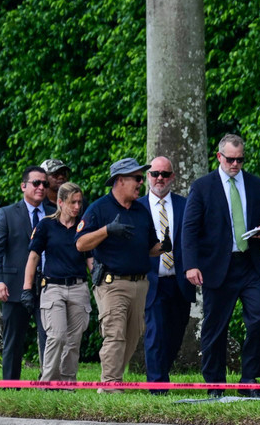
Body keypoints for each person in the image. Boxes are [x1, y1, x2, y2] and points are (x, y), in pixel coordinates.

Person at [180, 134, 260, 398]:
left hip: (249, 264)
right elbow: (189, 229)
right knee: (215, 327)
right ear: (219, 156)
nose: (235, 164)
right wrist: (191, 265)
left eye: (240, 159)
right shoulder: (203, 187)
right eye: (230, 159)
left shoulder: (256, 185)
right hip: (216, 266)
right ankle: (215, 385)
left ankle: (249, 381)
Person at [75, 158, 167, 392]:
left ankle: (113, 380)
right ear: (119, 181)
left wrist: (166, 246)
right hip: (111, 283)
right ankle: (110, 385)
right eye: (137, 178)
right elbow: (80, 243)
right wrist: (107, 230)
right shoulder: (99, 208)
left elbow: (150, 246)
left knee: (133, 335)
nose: (140, 183)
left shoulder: (140, 210)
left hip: (140, 284)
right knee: (115, 333)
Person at [21, 182, 92, 385]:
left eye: (79, 202)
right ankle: (48, 382)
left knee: (73, 340)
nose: (77, 206)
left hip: (78, 286)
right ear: (60, 202)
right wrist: (27, 288)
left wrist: (96, 277)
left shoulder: (83, 226)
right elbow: (33, 257)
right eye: (73, 202)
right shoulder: (46, 225)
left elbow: (90, 257)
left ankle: (68, 384)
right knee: (57, 336)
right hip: (53, 287)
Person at [0, 165, 49, 382]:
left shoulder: (53, 213)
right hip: (14, 286)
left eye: (45, 184)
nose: (41, 187)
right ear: (23, 186)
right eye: (36, 183)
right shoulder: (7, 213)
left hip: (48, 285)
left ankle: (49, 383)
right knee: (13, 340)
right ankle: (10, 386)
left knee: (50, 337)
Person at [138, 156, 195, 393]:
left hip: (179, 281)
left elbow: (194, 240)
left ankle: (162, 373)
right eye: (154, 174)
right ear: (147, 177)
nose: (159, 178)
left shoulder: (186, 205)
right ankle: (157, 386)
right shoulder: (137, 207)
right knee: (155, 333)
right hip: (151, 280)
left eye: (164, 174)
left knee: (174, 335)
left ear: (172, 177)